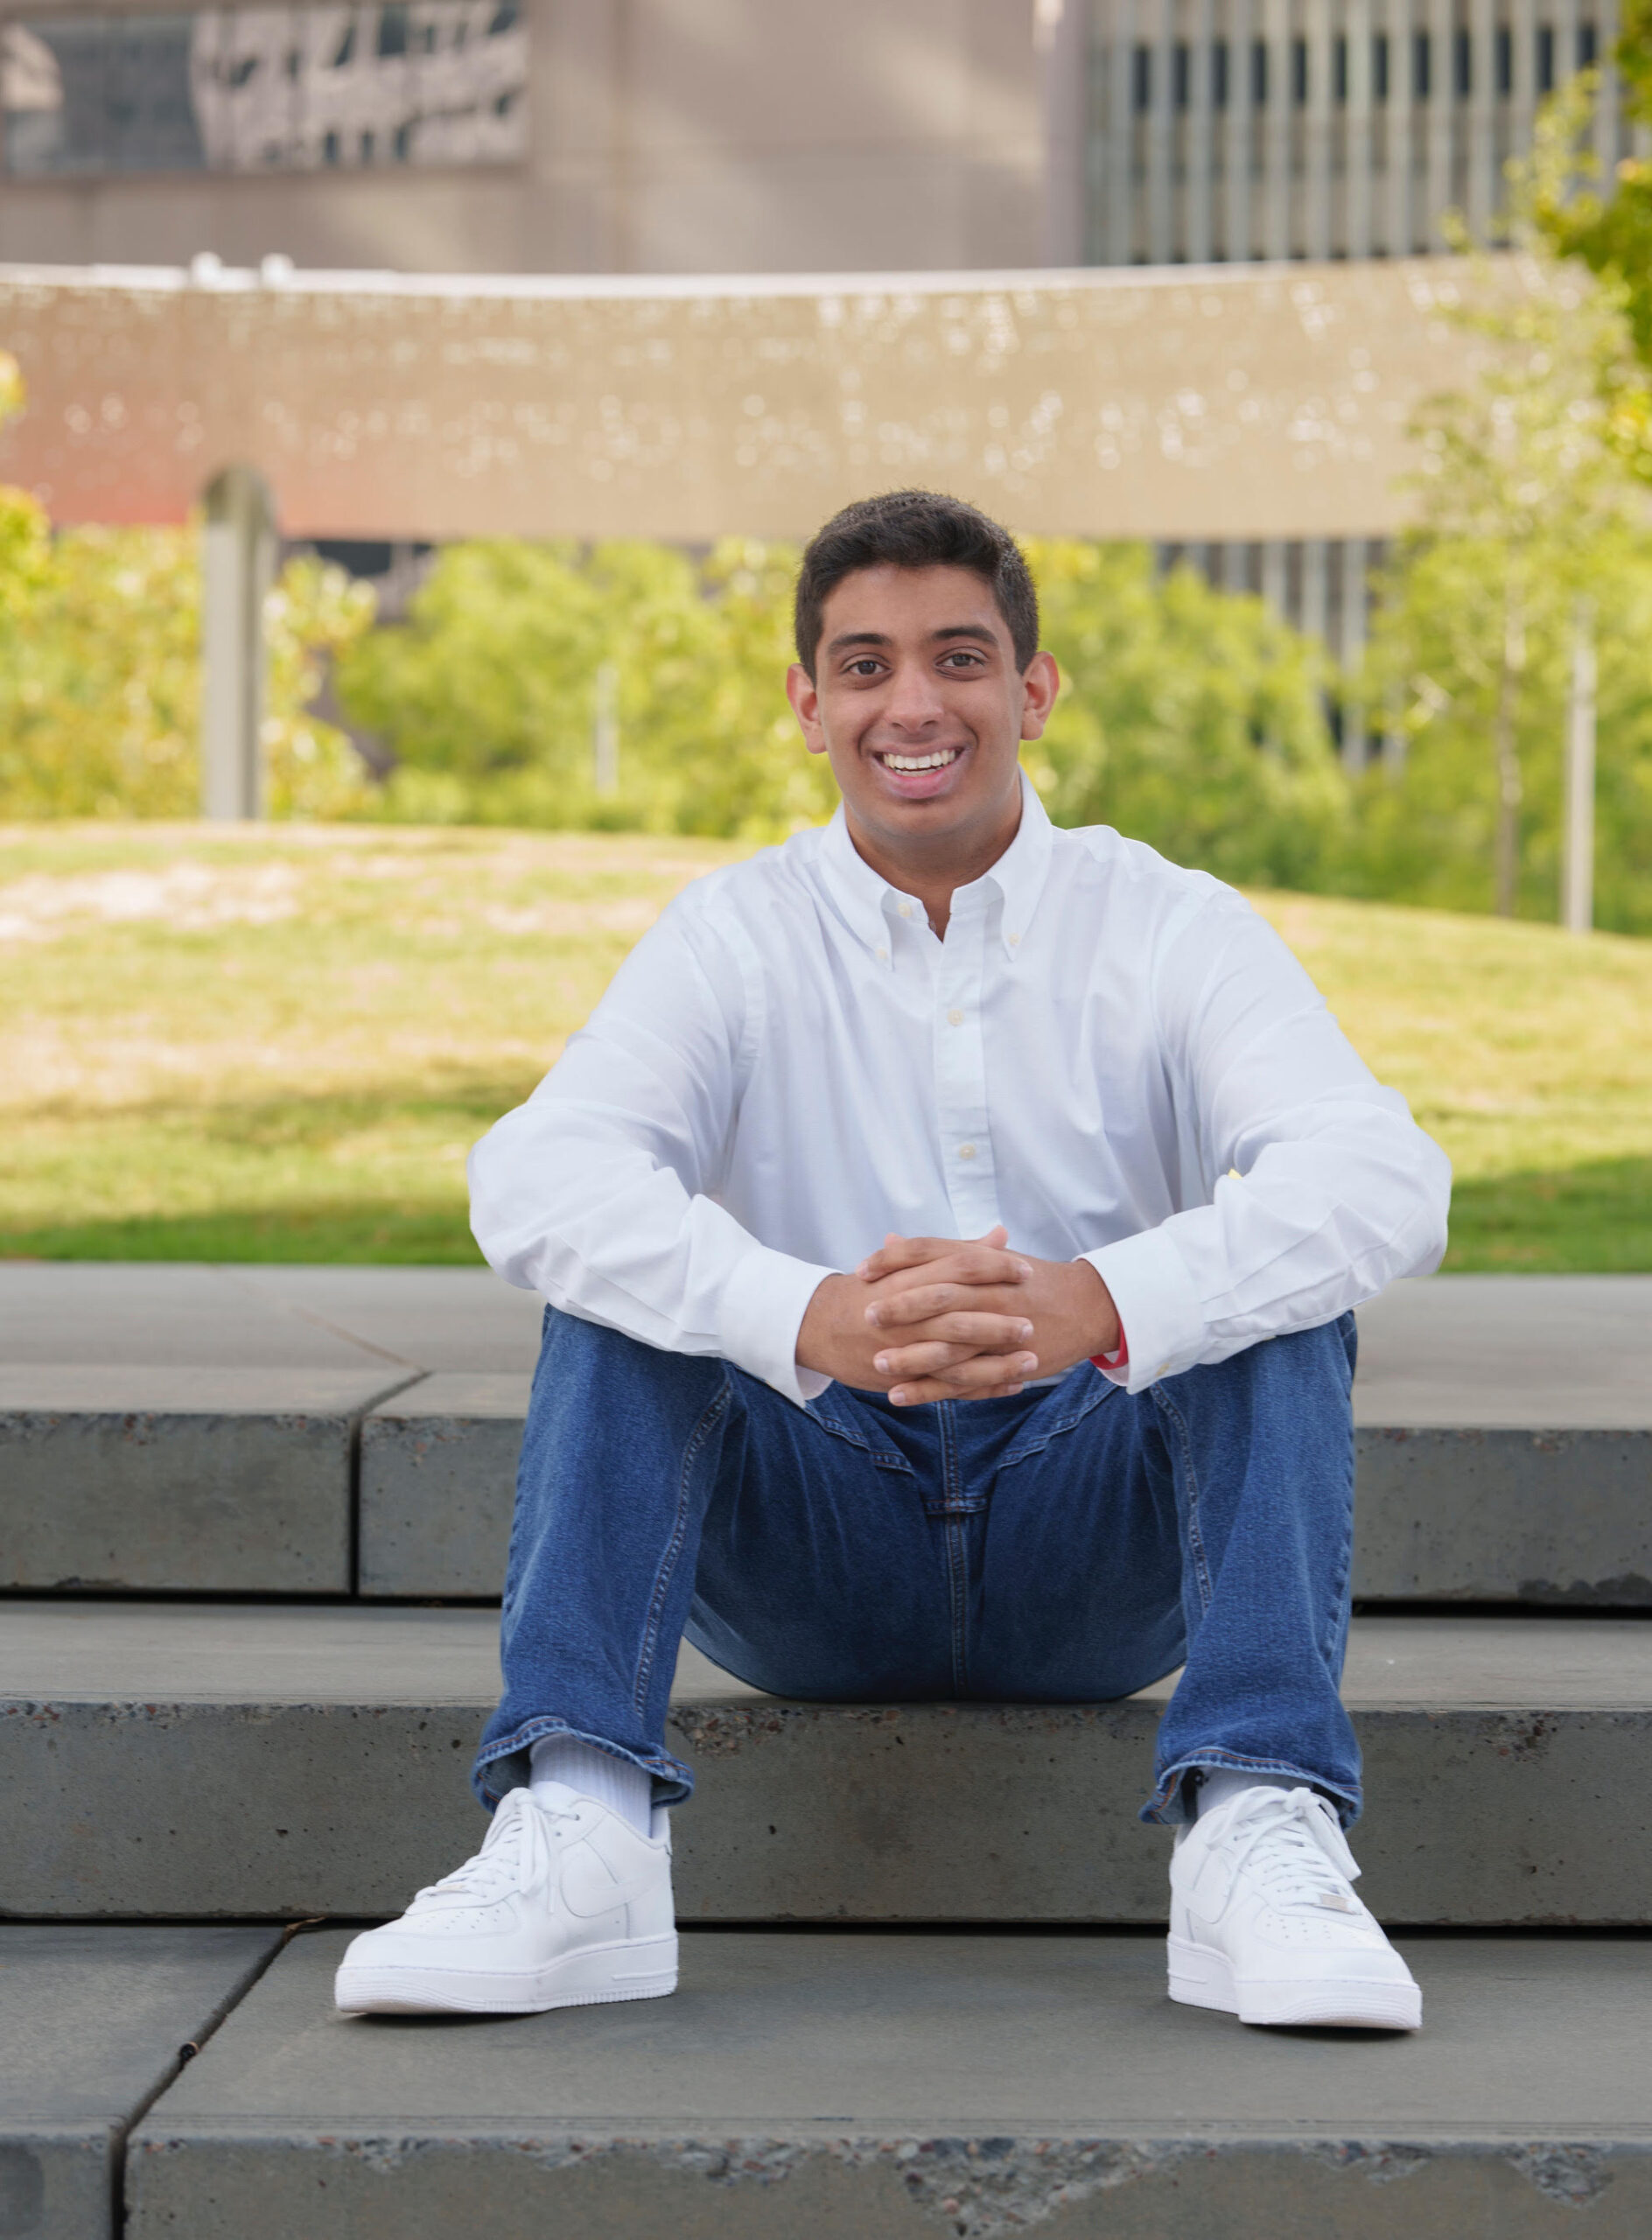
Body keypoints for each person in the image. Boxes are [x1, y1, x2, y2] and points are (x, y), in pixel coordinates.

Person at [334, 489, 1450, 2031]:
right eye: (863, 666)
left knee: (1261, 1291)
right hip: (815, 1547)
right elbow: (532, 1175)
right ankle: (579, 1825)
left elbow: (1386, 1174)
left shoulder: (1171, 925)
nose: (912, 703)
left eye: (960, 658)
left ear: (1034, 692)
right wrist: (810, 1318)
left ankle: (1262, 1823)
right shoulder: (731, 936)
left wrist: (1098, 1303)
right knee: (628, 1276)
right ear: (807, 706)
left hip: (1095, 1543)